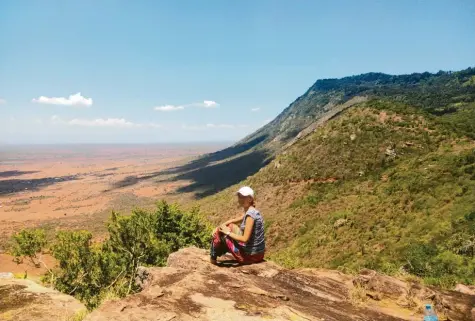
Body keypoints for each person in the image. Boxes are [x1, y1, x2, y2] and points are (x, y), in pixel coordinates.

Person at [210, 186, 266, 265]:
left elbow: (244, 239)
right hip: (257, 254)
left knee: (222, 235)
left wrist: (227, 233)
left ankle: (213, 259)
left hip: (251, 256)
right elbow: (233, 221)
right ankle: (215, 255)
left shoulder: (250, 215)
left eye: (243, 197)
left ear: (250, 199)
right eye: (239, 196)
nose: (240, 199)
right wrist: (218, 227)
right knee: (229, 226)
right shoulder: (252, 211)